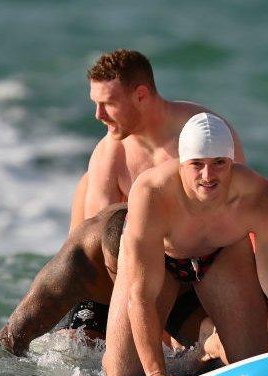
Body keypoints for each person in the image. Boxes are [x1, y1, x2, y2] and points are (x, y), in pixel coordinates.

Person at [102, 113, 268, 376]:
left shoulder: (261, 198)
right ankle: (194, 344)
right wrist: (156, 374)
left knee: (253, 364)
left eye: (219, 163)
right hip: (164, 258)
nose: (208, 176)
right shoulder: (152, 192)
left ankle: (210, 342)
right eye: (197, 165)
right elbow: (140, 293)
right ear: (181, 164)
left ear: (232, 163)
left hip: (222, 254)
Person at [64, 49, 245, 338]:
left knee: (210, 336)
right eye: (95, 104)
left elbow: (238, 218)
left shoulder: (202, 135)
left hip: (197, 268)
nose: (98, 115)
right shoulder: (110, 153)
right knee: (75, 342)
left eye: (108, 104)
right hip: (131, 273)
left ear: (141, 95)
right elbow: (101, 250)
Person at [0, 205, 210, 357]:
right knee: (74, 348)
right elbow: (12, 338)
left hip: (160, 288)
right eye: (120, 275)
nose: (126, 286)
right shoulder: (77, 265)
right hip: (99, 300)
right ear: (105, 261)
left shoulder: (174, 246)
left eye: (132, 273)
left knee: (206, 344)